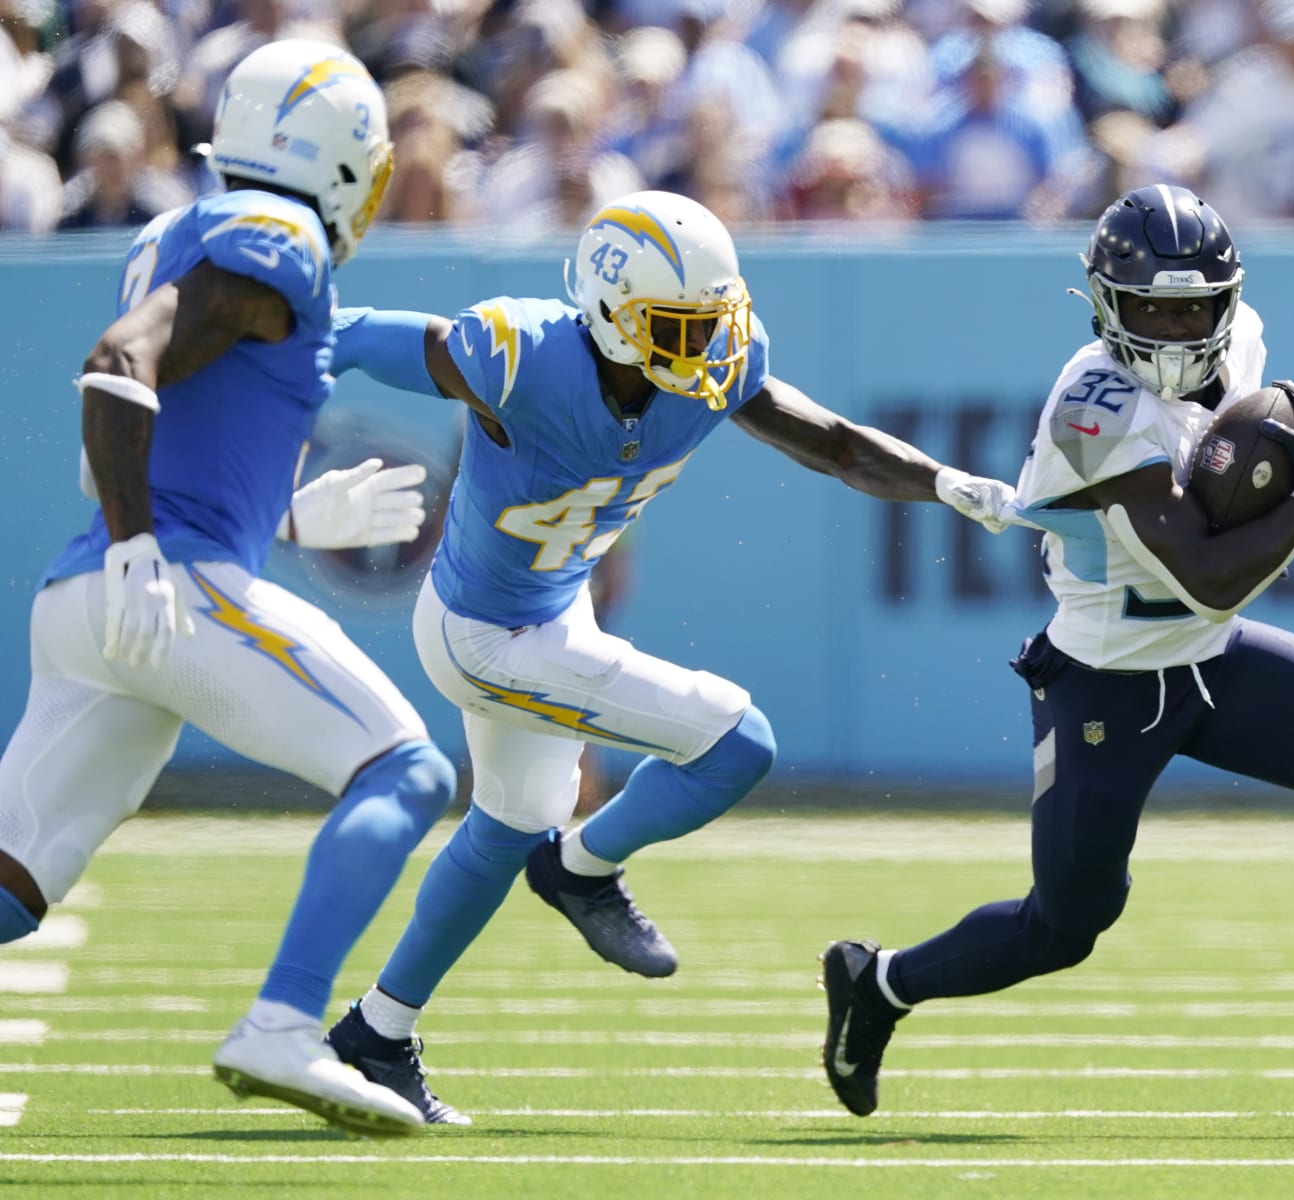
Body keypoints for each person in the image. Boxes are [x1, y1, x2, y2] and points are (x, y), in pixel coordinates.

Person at [818, 184, 1294, 1118]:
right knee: (1065, 926)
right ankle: (880, 982)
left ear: (1227, 300)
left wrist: (1277, 470)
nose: (1177, 328)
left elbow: (1215, 572)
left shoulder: (1245, 343)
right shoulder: (1095, 405)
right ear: (1105, 302)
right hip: (1106, 679)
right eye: (1151, 307)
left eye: (1194, 305)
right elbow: (1206, 573)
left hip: (1212, 661)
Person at [319, 189, 1017, 1124]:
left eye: (714, 323)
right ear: (610, 317)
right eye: (679, 328)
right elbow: (352, 333)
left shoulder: (717, 366)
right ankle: (583, 867)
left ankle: (375, 1033)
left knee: (505, 823)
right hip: (484, 633)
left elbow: (839, 446)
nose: (709, 349)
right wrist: (238, 352)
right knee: (736, 741)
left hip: (550, 613)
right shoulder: (518, 353)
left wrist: (944, 482)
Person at [0, 41, 456, 1138]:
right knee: (407, 771)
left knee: (8, 891)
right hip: (165, 587)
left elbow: (124, 431)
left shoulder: (175, 229)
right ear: (338, 155)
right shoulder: (283, 237)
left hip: (93, 604)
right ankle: (285, 1026)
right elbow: (121, 363)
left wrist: (288, 521)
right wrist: (143, 546)